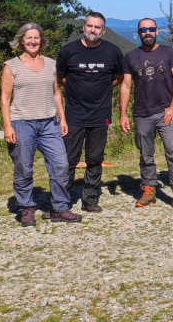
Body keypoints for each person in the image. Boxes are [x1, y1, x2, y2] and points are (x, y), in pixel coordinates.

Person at [0, 23, 81, 226]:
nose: (33, 41)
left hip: (49, 123)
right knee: (24, 168)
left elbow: (56, 93)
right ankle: (26, 208)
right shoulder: (11, 66)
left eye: (36, 38)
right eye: (29, 38)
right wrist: (7, 126)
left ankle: (60, 208)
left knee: (61, 164)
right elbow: (4, 98)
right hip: (21, 123)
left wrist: (62, 118)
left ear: (42, 41)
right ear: (21, 41)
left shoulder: (51, 64)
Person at [57, 12, 124, 213]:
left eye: (97, 27)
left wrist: (101, 88)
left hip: (99, 113)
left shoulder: (112, 52)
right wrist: (76, 88)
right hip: (74, 114)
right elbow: (61, 78)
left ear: (103, 30)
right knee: (68, 159)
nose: (92, 30)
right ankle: (62, 200)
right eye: (89, 26)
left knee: (95, 158)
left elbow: (118, 77)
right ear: (83, 27)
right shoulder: (68, 51)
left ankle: (90, 199)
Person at [119, 18, 173, 211]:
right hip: (141, 113)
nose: (147, 32)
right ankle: (149, 189)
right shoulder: (131, 56)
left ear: (156, 31)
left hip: (165, 112)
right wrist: (123, 114)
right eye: (143, 30)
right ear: (139, 32)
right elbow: (125, 86)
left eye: (151, 29)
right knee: (145, 154)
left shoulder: (169, 53)